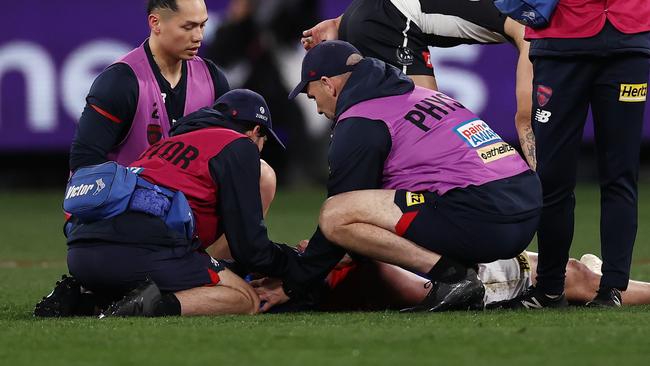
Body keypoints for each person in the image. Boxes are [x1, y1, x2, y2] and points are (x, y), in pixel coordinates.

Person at [253, 40, 541, 312]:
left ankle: (454, 277)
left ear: (329, 84)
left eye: (313, 95)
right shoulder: (417, 94)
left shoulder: (360, 120)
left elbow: (343, 212)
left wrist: (294, 284)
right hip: (525, 206)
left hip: (484, 214)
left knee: (334, 215)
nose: (317, 108)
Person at [34, 89, 296, 317]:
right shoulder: (239, 145)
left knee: (160, 268)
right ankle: (152, 307)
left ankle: (85, 299)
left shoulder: (161, 146)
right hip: (140, 247)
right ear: (255, 131)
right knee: (244, 297)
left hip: (81, 254)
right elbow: (250, 248)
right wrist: (295, 265)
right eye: (263, 142)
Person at [492, 0, 650, 309]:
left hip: (627, 39)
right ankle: (550, 289)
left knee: (621, 174)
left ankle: (612, 290)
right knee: (552, 177)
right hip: (561, 41)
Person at [300, 0, 537, 168]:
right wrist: (525, 117)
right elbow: (527, 31)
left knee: (421, 135)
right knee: (430, 136)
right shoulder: (544, 11)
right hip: (389, 20)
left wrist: (342, 19)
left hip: (377, 14)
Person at [69, 0, 230, 170]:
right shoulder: (120, 81)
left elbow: (228, 153)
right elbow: (84, 162)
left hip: (192, 196)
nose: (199, 36)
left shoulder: (213, 79)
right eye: (188, 27)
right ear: (156, 23)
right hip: (130, 195)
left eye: (202, 25)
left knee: (261, 171)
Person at [313, 249, 650, 311]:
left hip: (438, 261)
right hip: (449, 280)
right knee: (575, 276)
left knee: (576, 273)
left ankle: (601, 275)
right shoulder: (330, 281)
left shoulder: (289, 269)